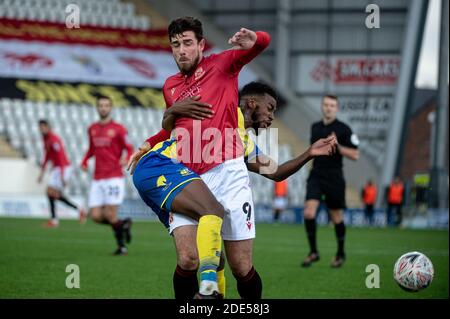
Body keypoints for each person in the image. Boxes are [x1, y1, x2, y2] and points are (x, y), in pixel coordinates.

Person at [129, 81, 337, 299]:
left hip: (217, 190)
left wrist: (309, 153)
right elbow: (178, 123)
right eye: (270, 108)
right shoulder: (220, 110)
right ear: (252, 103)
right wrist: (149, 141)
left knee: (240, 266)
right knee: (189, 258)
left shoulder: (244, 143)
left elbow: (275, 172)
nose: (272, 116)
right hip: (176, 176)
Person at [301, 94, 359, 268]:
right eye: (326, 105)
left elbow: (355, 155)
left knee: (336, 217)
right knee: (309, 213)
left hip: (334, 176)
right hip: (317, 174)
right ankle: (313, 252)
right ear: (322, 106)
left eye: (332, 105)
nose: (328, 108)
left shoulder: (344, 129)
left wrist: (338, 146)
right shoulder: (315, 127)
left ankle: (340, 253)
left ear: (337, 108)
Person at [80, 96, 134, 255]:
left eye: (106, 105)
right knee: (95, 216)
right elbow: (91, 149)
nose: (103, 108)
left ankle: (122, 247)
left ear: (110, 108)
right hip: (97, 178)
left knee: (110, 214)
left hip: (113, 177)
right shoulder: (92, 128)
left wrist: (126, 157)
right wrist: (84, 161)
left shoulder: (119, 129)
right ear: (97, 108)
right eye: (101, 105)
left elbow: (129, 147)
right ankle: (123, 224)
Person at [37, 119, 86, 227]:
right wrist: (41, 173)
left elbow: (61, 157)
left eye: (44, 126)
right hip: (57, 168)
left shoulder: (54, 139)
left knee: (50, 192)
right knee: (52, 194)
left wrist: (63, 175)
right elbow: (47, 157)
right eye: (40, 127)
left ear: (48, 127)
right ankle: (78, 210)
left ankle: (55, 220)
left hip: (63, 167)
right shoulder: (45, 139)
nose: (42, 129)